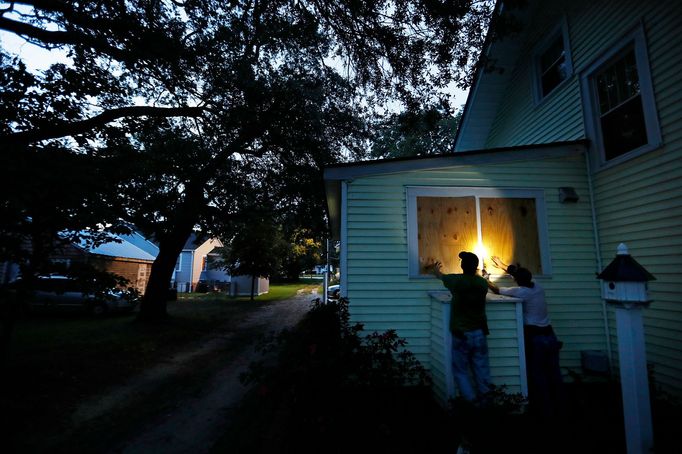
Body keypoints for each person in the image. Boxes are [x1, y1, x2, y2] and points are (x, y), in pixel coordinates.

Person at [486, 257, 565, 419]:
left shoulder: (521, 292)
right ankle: (562, 406)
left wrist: (485, 279)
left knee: (538, 374)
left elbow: (496, 290)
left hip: (536, 337)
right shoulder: (538, 287)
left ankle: (545, 411)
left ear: (517, 281)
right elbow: (518, 273)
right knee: (554, 373)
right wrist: (502, 265)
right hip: (550, 335)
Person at [427, 251, 490, 402]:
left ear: (462, 265)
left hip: (462, 334)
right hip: (480, 333)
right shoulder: (482, 283)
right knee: (481, 370)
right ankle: (487, 403)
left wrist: (436, 270)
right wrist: (485, 275)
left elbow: (440, 275)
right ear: (476, 267)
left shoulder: (456, 281)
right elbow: (483, 280)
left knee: (461, 371)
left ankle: (471, 404)